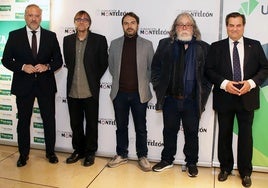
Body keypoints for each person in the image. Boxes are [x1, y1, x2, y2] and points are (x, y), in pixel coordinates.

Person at [205, 12, 268, 187]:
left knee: (246, 137)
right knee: (224, 135)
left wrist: (251, 83)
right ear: (226, 27)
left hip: (247, 98)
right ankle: (225, 168)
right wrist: (225, 83)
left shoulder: (254, 46)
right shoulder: (216, 47)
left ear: (243, 26)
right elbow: (208, 70)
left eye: (238, 25)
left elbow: (265, 68)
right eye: (231, 25)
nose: (234, 29)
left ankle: (246, 172)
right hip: (225, 97)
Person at [1, 4, 63, 167]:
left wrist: (47, 67)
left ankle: (50, 152)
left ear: (41, 17)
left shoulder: (51, 36)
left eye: (36, 16)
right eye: (30, 15)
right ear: (25, 16)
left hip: (46, 85)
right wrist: (22, 67)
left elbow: (58, 61)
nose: (34, 19)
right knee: (23, 121)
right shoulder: (14, 36)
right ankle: (23, 154)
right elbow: (5, 60)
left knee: (49, 120)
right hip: (23, 85)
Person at [151, 12, 211, 177]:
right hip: (170, 99)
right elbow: (155, 69)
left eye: (188, 24)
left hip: (192, 102)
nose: (184, 27)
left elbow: (208, 76)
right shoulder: (165, 44)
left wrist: (203, 94)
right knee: (169, 131)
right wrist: (159, 87)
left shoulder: (203, 47)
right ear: (175, 28)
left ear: (193, 28)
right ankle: (167, 160)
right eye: (181, 24)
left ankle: (191, 163)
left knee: (192, 134)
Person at [107, 12, 154, 172]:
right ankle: (122, 154)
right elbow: (112, 68)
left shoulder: (147, 44)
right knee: (121, 126)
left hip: (139, 94)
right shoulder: (114, 44)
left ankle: (142, 156)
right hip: (119, 93)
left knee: (141, 127)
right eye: (126, 23)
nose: (129, 26)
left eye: (132, 22)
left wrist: (141, 83)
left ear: (138, 25)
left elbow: (151, 69)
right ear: (122, 26)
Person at [63, 10, 108, 167]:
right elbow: (68, 62)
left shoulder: (99, 40)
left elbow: (104, 63)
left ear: (89, 23)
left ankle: (90, 153)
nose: (81, 21)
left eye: (85, 19)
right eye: (78, 19)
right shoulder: (67, 40)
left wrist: (94, 78)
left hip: (90, 91)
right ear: (74, 22)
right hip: (72, 90)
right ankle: (78, 150)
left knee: (91, 124)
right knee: (75, 124)